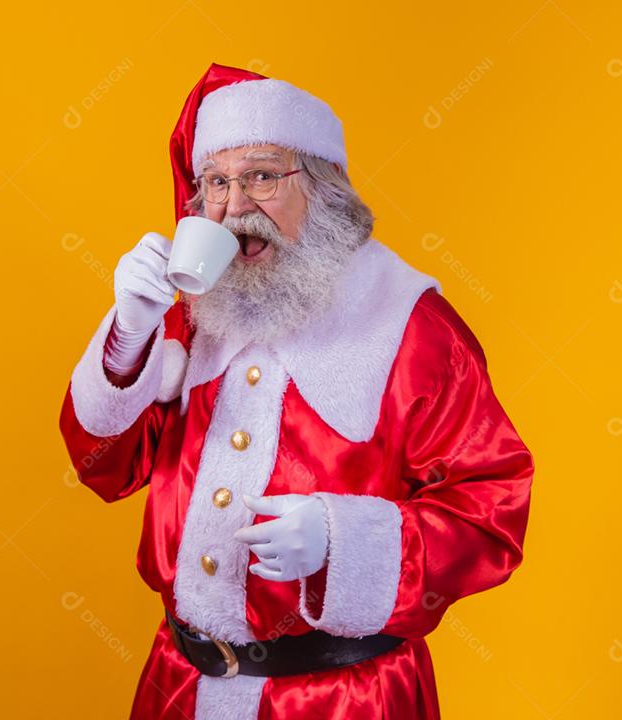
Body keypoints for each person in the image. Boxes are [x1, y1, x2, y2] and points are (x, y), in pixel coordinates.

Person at [58, 62, 534, 720]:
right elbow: (103, 470)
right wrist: (128, 334)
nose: (233, 207)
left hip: (343, 701)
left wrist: (344, 542)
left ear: (324, 188)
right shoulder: (193, 316)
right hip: (180, 688)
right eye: (215, 183)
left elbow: (491, 513)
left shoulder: (412, 327)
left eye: (260, 176)